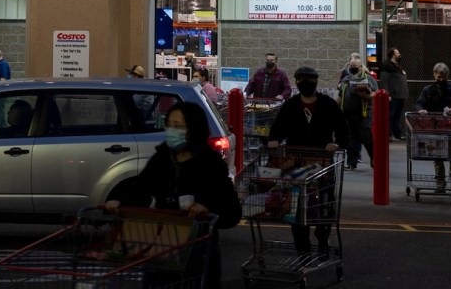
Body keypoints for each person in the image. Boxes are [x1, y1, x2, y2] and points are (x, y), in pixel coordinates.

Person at [106, 101, 241, 288]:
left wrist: (207, 210)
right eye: (169, 125)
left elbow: (232, 212)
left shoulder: (210, 163)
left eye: (178, 126)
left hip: (198, 250)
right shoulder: (163, 157)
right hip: (164, 244)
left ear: (193, 129)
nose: (171, 131)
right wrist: (120, 203)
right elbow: (142, 187)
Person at [267, 66, 348, 258]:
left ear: (316, 82)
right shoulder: (290, 105)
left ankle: (322, 238)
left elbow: (343, 129)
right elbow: (278, 128)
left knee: (323, 204)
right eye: (301, 80)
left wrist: (337, 144)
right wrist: (274, 139)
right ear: (296, 82)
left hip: (322, 163)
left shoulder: (328, 104)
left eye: (309, 80)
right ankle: (302, 248)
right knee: (297, 207)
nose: (306, 83)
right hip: (296, 163)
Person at [414, 62, 451, 189]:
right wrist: (421, 110)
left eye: (444, 77)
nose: (441, 79)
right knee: (437, 155)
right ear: (434, 75)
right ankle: (440, 181)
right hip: (436, 127)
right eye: (439, 77)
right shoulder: (428, 90)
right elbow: (419, 104)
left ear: (447, 76)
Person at [336, 54, 378, 170]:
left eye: (355, 66)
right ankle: (352, 162)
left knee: (367, 138)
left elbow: (375, 94)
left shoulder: (369, 79)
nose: (353, 68)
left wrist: (363, 94)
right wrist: (334, 107)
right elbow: (340, 96)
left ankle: (374, 159)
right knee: (350, 139)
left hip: (363, 114)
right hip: (348, 114)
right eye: (351, 66)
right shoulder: (346, 79)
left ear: (360, 67)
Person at [377, 47, 409, 141]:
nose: (399, 54)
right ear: (393, 55)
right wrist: (387, 94)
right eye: (397, 53)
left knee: (397, 116)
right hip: (393, 96)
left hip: (400, 95)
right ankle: (388, 134)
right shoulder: (387, 65)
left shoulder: (398, 66)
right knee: (390, 115)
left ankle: (397, 134)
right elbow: (384, 81)